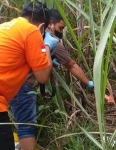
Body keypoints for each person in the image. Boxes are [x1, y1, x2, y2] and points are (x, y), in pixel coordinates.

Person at [0, 2, 59, 150]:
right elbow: (42, 77)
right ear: (42, 26)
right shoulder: (32, 30)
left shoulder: (4, 27)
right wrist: (45, 47)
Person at [9, 8, 94, 150]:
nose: (61, 32)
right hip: (22, 88)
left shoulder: (27, 34)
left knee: (20, 125)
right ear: (50, 24)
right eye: (60, 27)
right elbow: (72, 65)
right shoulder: (51, 41)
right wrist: (89, 83)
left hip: (10, 86)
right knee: (26, 128)